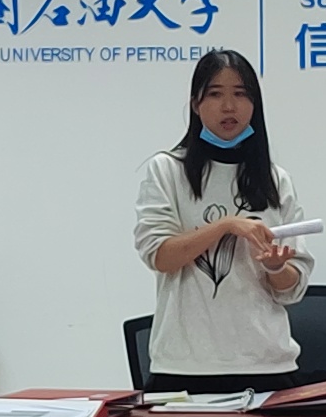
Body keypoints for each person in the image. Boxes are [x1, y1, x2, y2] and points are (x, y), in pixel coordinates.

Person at [133, 50, 313, 390]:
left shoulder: (276, 180)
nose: (229, 107)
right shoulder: (167, 170)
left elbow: (292, 290)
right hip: (184, 368)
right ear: (195, 104)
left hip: (267, 365)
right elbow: (160, 256)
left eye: (240, 94)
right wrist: (226, 225)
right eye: (215, 94)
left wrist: (275, 268)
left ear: (254, 105)